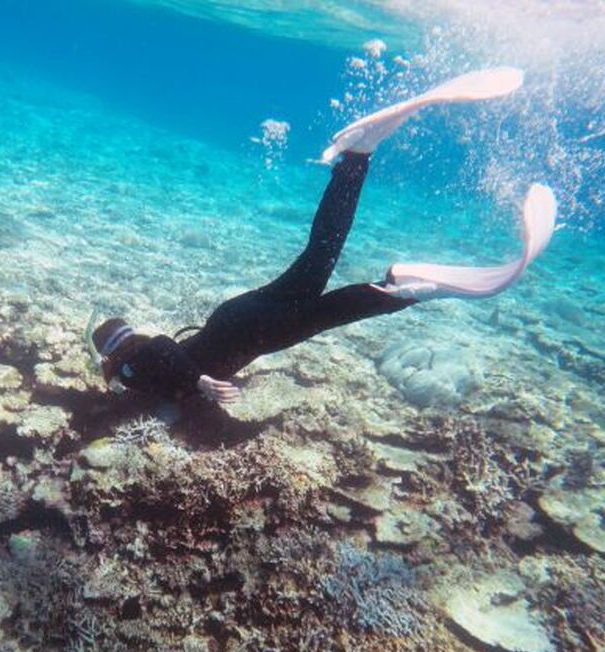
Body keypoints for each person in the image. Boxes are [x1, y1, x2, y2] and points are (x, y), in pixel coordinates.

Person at [87, 68, 557, 404]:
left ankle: (405, 289)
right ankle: (356, 158)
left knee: (329, 312)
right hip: (239, 317)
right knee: (322, 252)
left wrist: (200, 382)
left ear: (111, 354)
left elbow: (163, 350)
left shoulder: (131, 369)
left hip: (250, 330)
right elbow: (164, 351)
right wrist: (196, 379)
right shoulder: (136, 362)